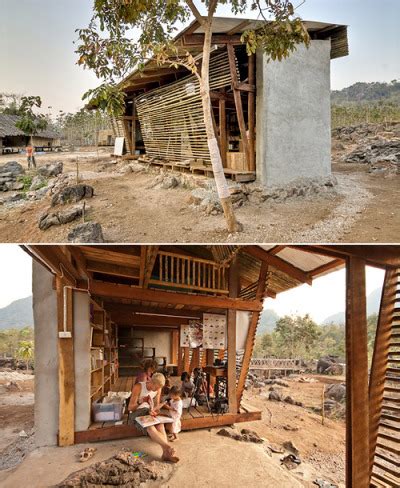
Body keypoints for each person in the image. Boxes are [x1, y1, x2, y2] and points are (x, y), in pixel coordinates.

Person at [128, 372, 179, 463]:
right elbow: (130, 408)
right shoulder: (138, 387)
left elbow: (155, 407)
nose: (157, 390)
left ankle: (165, 454)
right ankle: (167, 447)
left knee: (160, 424)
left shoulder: (158, 389)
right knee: (150, 426)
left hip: (148, 411)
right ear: (151, 382)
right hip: (136, 412)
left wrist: (154, 411)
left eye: (159, 388)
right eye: (156, 387)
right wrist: (141, 401)